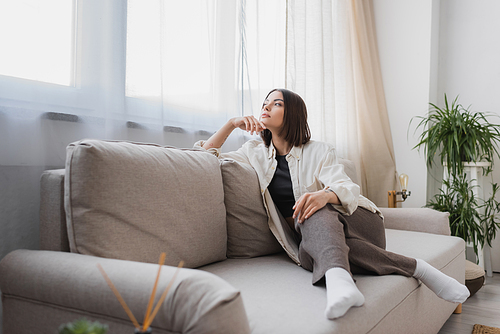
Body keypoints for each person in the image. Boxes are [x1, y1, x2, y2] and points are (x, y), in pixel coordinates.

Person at [195, 88, 469, 319]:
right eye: (265, 102)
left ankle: (339, 280)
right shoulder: (253, 152)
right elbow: (205, 156)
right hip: (316, 239)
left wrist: (325, 195)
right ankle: (418, 268)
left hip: (360, 223)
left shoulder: (319, 150)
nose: (266, 106)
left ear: (292, 113)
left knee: (313, 206)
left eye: (276, 103)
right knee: (306, 254)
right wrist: (231, 124)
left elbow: (347, 187)